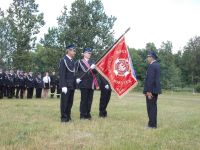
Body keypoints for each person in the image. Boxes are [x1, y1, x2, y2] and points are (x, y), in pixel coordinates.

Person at [76, 47, 98, 120]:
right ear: (84, 53)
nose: (89, 54)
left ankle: (88, 114)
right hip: (83, 83)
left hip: (91, 83)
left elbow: (95, 73)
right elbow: (75, 72)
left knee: (89, 100)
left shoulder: (92, 62)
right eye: (88, 53)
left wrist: (94, 68)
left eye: (90, 53)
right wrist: (77, 78)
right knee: (84, 100)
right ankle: (82, 115)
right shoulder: (79, 62)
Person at [143, 51, 161, 129]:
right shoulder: (157, 65)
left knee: (151, 108)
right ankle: (152, 124)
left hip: (151, 91)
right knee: (153, 107)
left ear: (151, 57)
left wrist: (148, 91)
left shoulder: (152, 66)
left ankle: (152, 125)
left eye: (148, 57)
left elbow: (150, 80)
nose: (147, 58)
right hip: (155, 90)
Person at [59, 44, 76, 122]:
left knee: (70, 102)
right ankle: (64, 118)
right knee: (64, 102)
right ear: (68, 50)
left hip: (72, 85)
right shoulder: (64, 60)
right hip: (66, 85)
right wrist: (63, 85)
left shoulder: (72, 61)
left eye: (74, 51)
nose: (74, 52)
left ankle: (68, 116)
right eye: (73, 51)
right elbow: (62, 73)